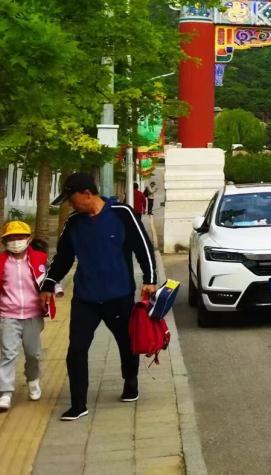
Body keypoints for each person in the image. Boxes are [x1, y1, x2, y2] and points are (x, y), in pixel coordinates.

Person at [43, 172, 158, 422]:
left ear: (87, 194)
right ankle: (78, 403)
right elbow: (63, 258)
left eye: (71, 199)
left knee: (126, 343)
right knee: (76, 348)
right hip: (85, 297)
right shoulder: (73, 223)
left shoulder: (122, 214)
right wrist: (49, 283)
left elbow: (143, 248)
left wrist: (150, 279)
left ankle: (130, 381)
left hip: (119, 295)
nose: (70, 205)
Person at [0, 221, 49, 411]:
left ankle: (33, 379)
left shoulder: (40, 259)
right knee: (8, 353)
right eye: (11, 238)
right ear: (5, 241)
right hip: (8, 315)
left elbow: (50, 280)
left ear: (28, 239)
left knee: (33, 354)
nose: (16, 241)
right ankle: (5, 392)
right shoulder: (2, 262)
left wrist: (55, 291)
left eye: (20, 237)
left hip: (32, 315)